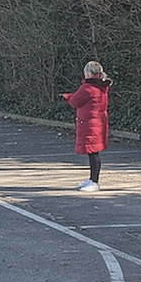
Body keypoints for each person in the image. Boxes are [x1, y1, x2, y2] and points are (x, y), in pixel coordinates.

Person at [62, 61, 112, 192]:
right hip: (98, 123)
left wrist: (67, 97)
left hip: (90, 124)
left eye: (85, 71)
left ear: (90, 73)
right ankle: (92, 179)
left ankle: (94, 182)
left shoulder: (87, 87)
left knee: (93, 153)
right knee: (93, 152)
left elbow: (74, 101)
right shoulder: (101, 87)